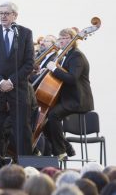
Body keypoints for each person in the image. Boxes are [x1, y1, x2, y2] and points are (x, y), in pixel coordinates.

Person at [0, 1, 34, 169]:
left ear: (15, 16)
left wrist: (11, 81)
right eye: (0, 13)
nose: (3, 16)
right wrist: (0, 81)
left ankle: (24, 165)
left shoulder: (25, 33)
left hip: (17, 88)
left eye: (6, 13)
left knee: (21, 129)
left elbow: (29, 63)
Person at [44, 28, 94, 160]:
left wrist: (54, 69)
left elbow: (72, 78)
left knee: (53, 115)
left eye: (64, 38)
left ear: (72, 39)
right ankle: (67, 148)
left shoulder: (77, 56)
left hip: (78, 99)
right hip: (67, 98)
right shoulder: (65, 55)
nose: (61, 41)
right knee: (44, 119)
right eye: (59, 38)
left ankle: (61, 152)